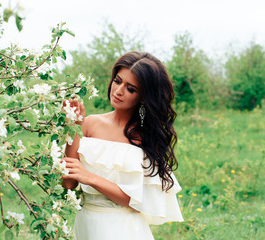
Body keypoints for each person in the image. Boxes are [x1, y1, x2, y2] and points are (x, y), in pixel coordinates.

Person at [61, 51, 184, 240]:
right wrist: (72, 127)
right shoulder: (90, 123)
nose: (118, 91)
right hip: (86, 223)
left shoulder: (144, 138)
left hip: (123, 228)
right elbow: (68, 183)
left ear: (143, 97)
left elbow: (135, 200)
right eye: (118, 81)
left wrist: (90, 178)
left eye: (131, 89)